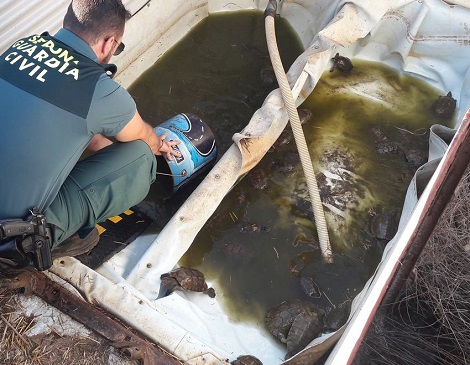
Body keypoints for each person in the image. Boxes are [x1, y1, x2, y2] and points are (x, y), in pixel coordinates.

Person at [0, 0, 180, 268]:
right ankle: (50, 239)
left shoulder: (18, 48)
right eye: (118, 47)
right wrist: (160, 146)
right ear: (109, 43)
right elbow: (144, 138)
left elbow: (87, 134)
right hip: (10, 236)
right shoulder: (98, 89)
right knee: (141, 158)